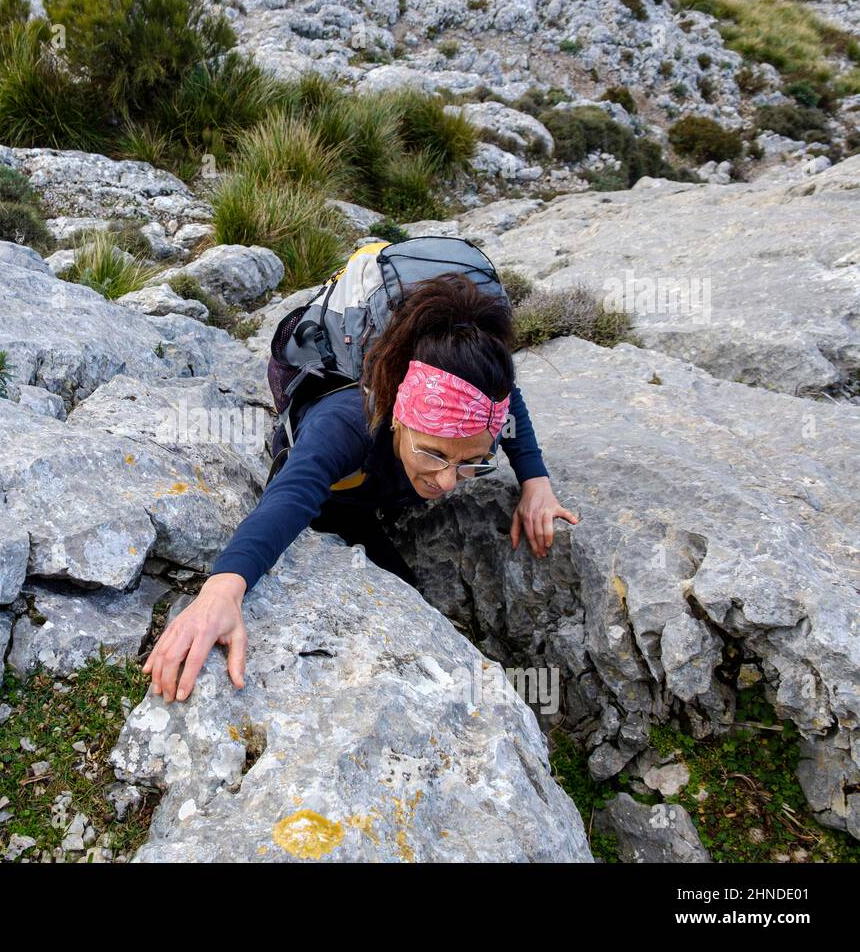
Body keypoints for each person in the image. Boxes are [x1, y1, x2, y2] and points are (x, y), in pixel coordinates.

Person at [142, 272, 579, 702]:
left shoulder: (479, 404)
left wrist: (535, 481)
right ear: (398, 415)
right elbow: (293, 494)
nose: (447, 481)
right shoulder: (347, 422)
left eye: (472, 462)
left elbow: (507, 399)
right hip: (340, 494)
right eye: (433, 453)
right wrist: (222, 590)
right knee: (404, 592)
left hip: (381, 472)